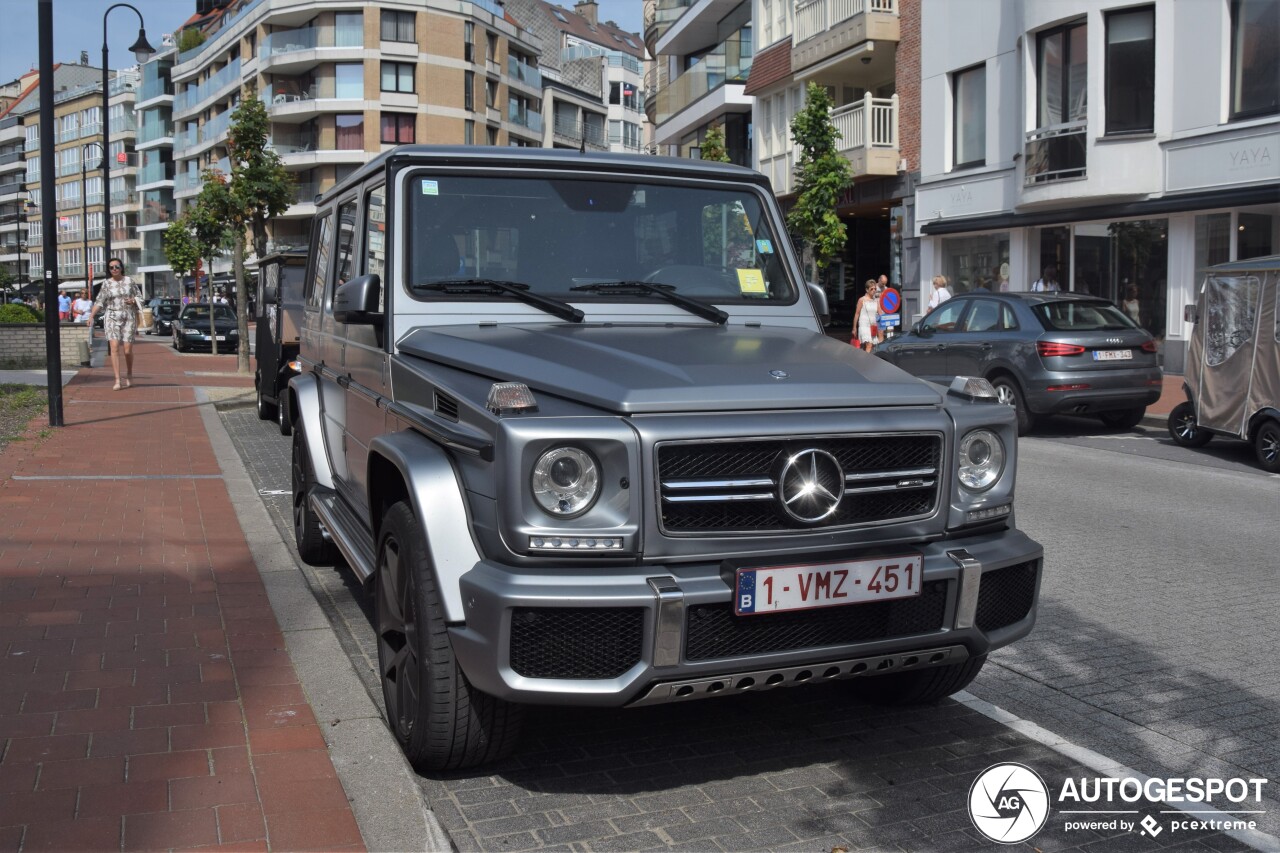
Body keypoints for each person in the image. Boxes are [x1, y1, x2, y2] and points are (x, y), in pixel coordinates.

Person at [87, 257, 143, 391]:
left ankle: (129, 374)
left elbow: (140, 297)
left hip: (128, 316)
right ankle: (117, 379)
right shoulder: (106, 284)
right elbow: (100, 301)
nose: (114, 269)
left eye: (117, 267)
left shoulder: (130, 281)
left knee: (128, 350)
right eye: (111, 267)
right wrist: (91, 316)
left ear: (121, 268)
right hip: (112, 316)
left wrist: (134, 301)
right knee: (114, 346)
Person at [852, 279, 879, 352]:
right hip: (864, 325)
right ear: (867, 290)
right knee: (869, 345)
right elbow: (857, 314)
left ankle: (863, 361)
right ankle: (868, 362)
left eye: (875, 289)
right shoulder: (862, 300)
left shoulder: (876, 300)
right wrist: (854, 328)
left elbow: (880, 313)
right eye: (871, 289)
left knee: (870, 346)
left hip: (873, 326)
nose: (874, 290)